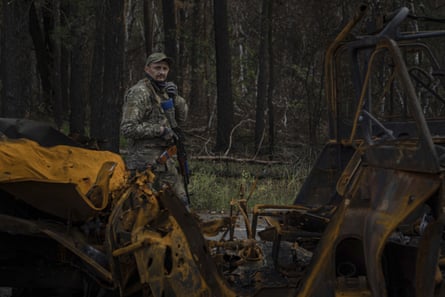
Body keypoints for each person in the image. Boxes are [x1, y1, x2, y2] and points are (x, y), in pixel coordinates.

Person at [120, 52, 189, 207]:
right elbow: (128, 128)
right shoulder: (140, 92)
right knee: (144, 212)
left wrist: (175, 99)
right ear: (147, 69)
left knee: (181, 206)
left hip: (165, 163)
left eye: (165, 68)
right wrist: (160, 130)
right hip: (143, 166)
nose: (161, 72)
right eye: (157, 67)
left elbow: (181, 121)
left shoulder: (165, 92)